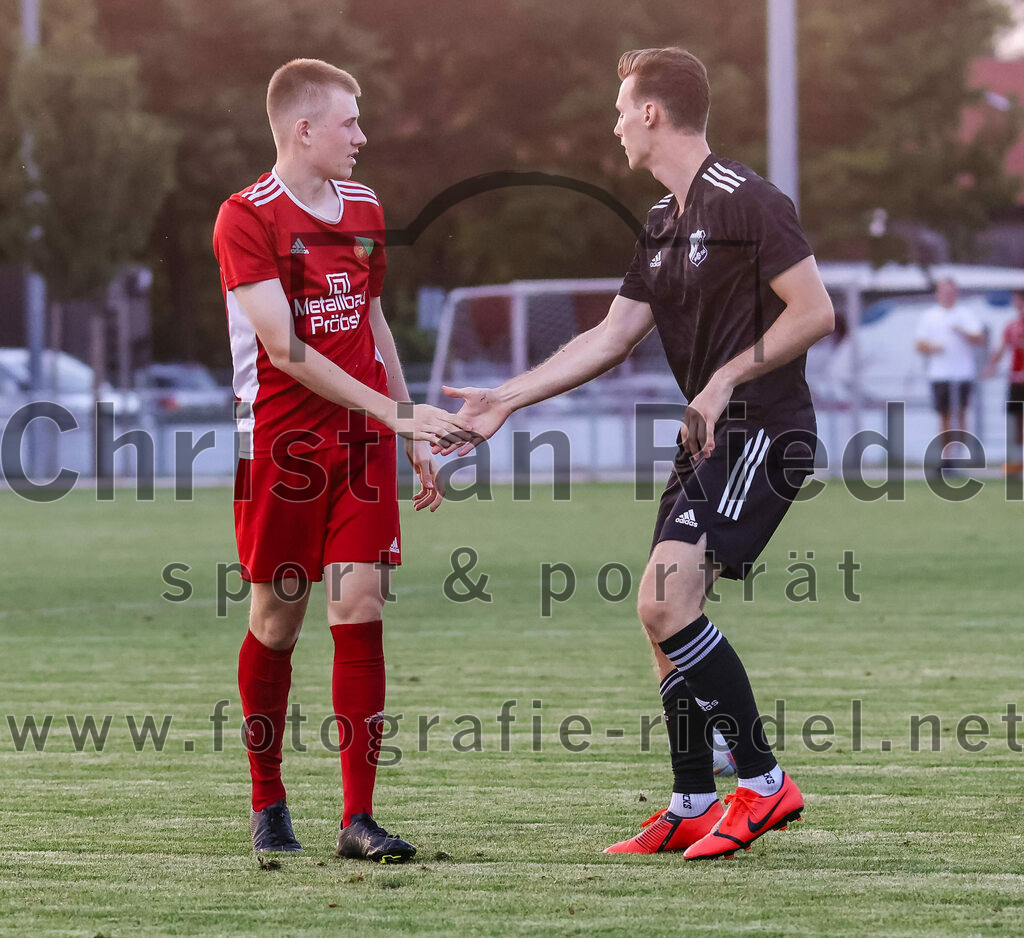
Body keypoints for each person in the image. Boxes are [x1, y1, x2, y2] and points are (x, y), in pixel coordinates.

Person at [438, 47, 833, 860]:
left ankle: (762, 785)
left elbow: (814, 311)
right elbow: (612, 336)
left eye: (621, 108)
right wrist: (504, 400)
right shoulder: (660, 222)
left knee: (664, 603)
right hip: (711, 438)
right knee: (658, 619)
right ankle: (692, 801)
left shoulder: (747, 200)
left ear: (651, 112)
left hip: (764, 427)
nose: (614, 123)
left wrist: (723, 378)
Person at [212, 59, 468, 862]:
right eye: (350, 122)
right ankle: (268, 801)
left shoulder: (364, 208)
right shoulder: (243, 218)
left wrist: (408, 429)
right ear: (304, 130)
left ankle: (359, 820)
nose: (363, 136)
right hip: (281, 455)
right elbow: (284, 349)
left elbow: (375, 320)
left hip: (359, 448)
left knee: (360, 608)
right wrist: (395, 411)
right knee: (276, 624)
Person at [914, 278, 986, 443]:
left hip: (962, 373)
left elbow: (980, 338)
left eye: (951, 292)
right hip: (940, 374)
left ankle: (960, 454)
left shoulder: (966, 314)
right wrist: (933, 348)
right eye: (944, 292)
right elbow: (919, 345)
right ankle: (947, 458)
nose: (948, 296)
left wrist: (962, 332)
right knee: (944, 415)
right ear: (938, 294)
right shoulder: (929, 316)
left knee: (961, 413)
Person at [984, 289, 1024, 475]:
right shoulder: (1012, 326)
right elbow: (1002, 347)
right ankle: (1017, 462)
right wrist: (991, 366)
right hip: (1016, 380)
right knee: (1017, 420)